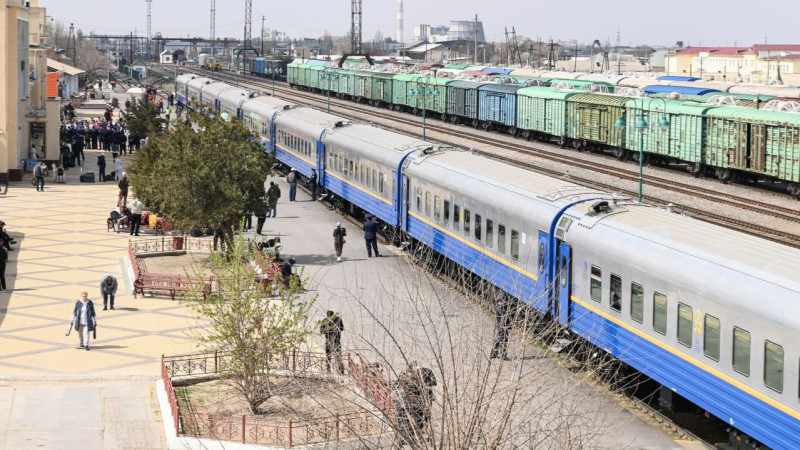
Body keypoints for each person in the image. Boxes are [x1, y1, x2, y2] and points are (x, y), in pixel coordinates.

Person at [319, 310, 344, 374]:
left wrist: (336, 328)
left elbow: (342, 328)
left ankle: (341, 371)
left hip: (337, 340)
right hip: (328, 340)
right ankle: (328, 371)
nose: (330, 319)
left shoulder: (338, 319)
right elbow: (321, 331)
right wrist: (328, 329)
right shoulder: (325, 320)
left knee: (338, 356)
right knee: (328, 356)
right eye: (328, 317)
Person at [490, 292, 513, 361]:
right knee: (504, 340)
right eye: (505, 299)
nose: (506, 301)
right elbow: (504, 315)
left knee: (499, 339)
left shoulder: (500, 306)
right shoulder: (500, 307)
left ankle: (494, 353)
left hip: (501, 325)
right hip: (502, 326)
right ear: (502, 299)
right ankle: (503, 355)